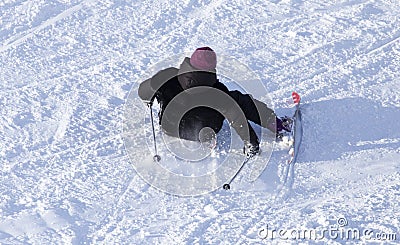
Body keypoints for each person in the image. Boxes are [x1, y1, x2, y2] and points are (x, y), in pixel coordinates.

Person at [138, 47, 290, 157]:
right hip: (203, 129)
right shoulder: (217, 90)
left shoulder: (169, 75)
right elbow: (235, 115)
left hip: (169, 126)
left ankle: (205, 136)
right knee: (237, 99)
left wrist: (153, 85)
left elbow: (143, 93)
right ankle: (273, 122)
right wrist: (251, 142)